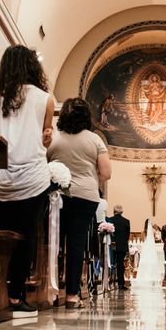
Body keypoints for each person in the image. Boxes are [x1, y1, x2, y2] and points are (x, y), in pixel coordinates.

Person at [0, 45, 54, 317]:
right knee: (27, 236)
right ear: (33, 67)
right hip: (32, 178)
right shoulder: (45, 98)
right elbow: (46, 137)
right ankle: (16, 296)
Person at [48, 98, 112, 308]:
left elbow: (45, 165)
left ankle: (51, 292)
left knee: (54, 243)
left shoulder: (55, 139)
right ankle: (73, 296)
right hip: (85, 197)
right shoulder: (95, 140)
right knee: (76, 246)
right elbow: (106, 173)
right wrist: (89, 178)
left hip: (58, 196)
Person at [133, 218, 162, 288]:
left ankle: (143, 275)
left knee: (145, 260)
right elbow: (156, 238)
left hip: (145, 246)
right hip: (151, 246)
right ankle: (152, 275)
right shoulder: (154, 231)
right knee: (151, 259)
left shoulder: (142, 232)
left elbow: (142, 240)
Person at [111, 205, 131, 290]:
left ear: (113, 211)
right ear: (122, 212)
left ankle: (109, 282)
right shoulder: (126, 221)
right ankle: (121, 284)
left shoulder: (110, 220)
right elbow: (127, 235)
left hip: (112, 245)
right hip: (122, 246)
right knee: (120, 265)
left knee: (110, 263)